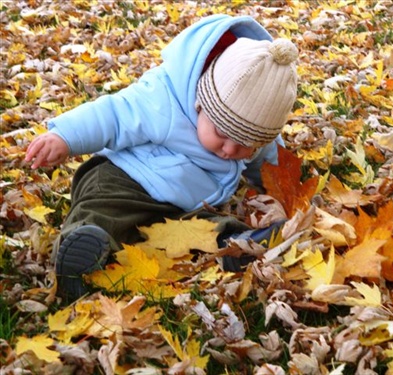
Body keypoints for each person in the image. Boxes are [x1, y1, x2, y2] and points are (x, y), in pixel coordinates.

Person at [25, 14, 298, 301]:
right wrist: (66, 137)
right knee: (102, 209)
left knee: (204, 226)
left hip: (181, 206)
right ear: (201, 103)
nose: (230, 150)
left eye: (245, 145)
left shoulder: (254, 135)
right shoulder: (162, 99)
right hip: (125, 178)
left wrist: (284, 191)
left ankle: (239, 245)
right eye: (221, 134)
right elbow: (114, 115)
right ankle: (83, 246)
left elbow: (269, 163)